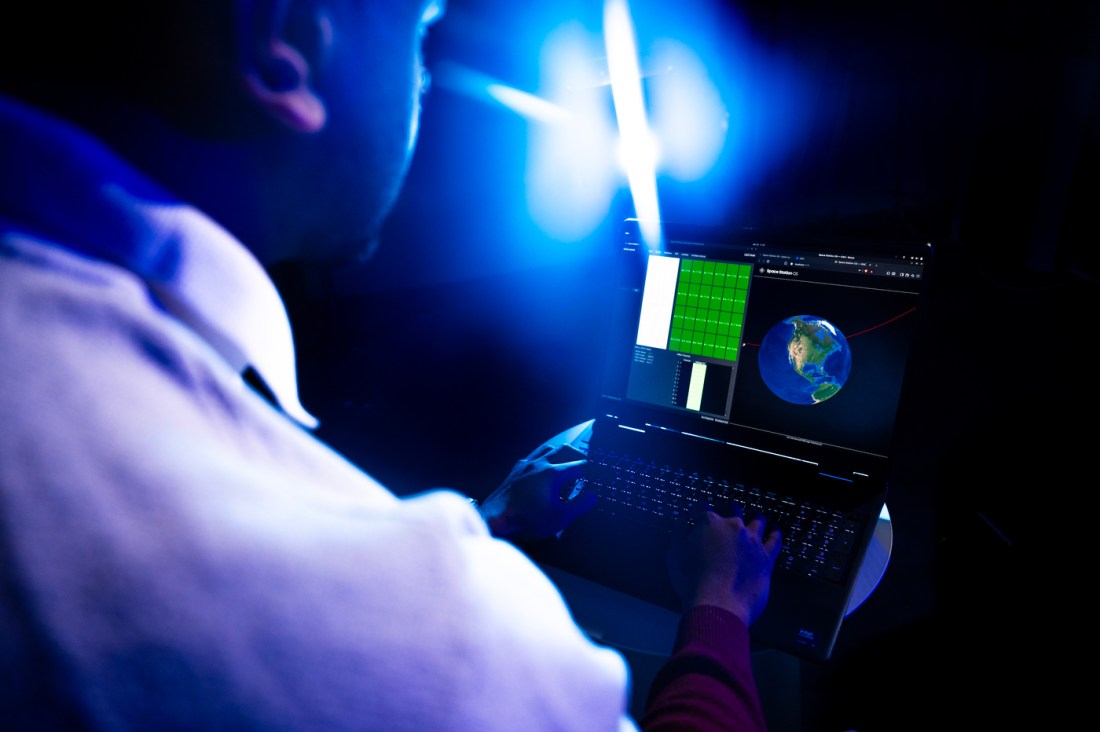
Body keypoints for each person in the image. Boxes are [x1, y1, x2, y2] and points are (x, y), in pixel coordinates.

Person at [0, 1, 781, 729]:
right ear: (289, 47)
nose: (425, 76)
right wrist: (721, 604)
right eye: (419, 31)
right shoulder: (461, 637)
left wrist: (493, 520)